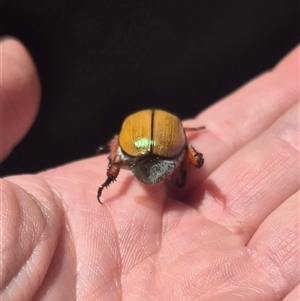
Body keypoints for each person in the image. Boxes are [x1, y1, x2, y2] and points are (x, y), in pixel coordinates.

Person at [1, 37, 299, 300]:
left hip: (140, 153)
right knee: (172, 152)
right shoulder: (177, 129)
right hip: (170, 153)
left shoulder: (129, 135)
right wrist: (187, 158)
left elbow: (119, 145)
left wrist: (118, 159)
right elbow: (180, 147)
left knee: (122, 152)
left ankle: (117, 175)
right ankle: (172, 163)